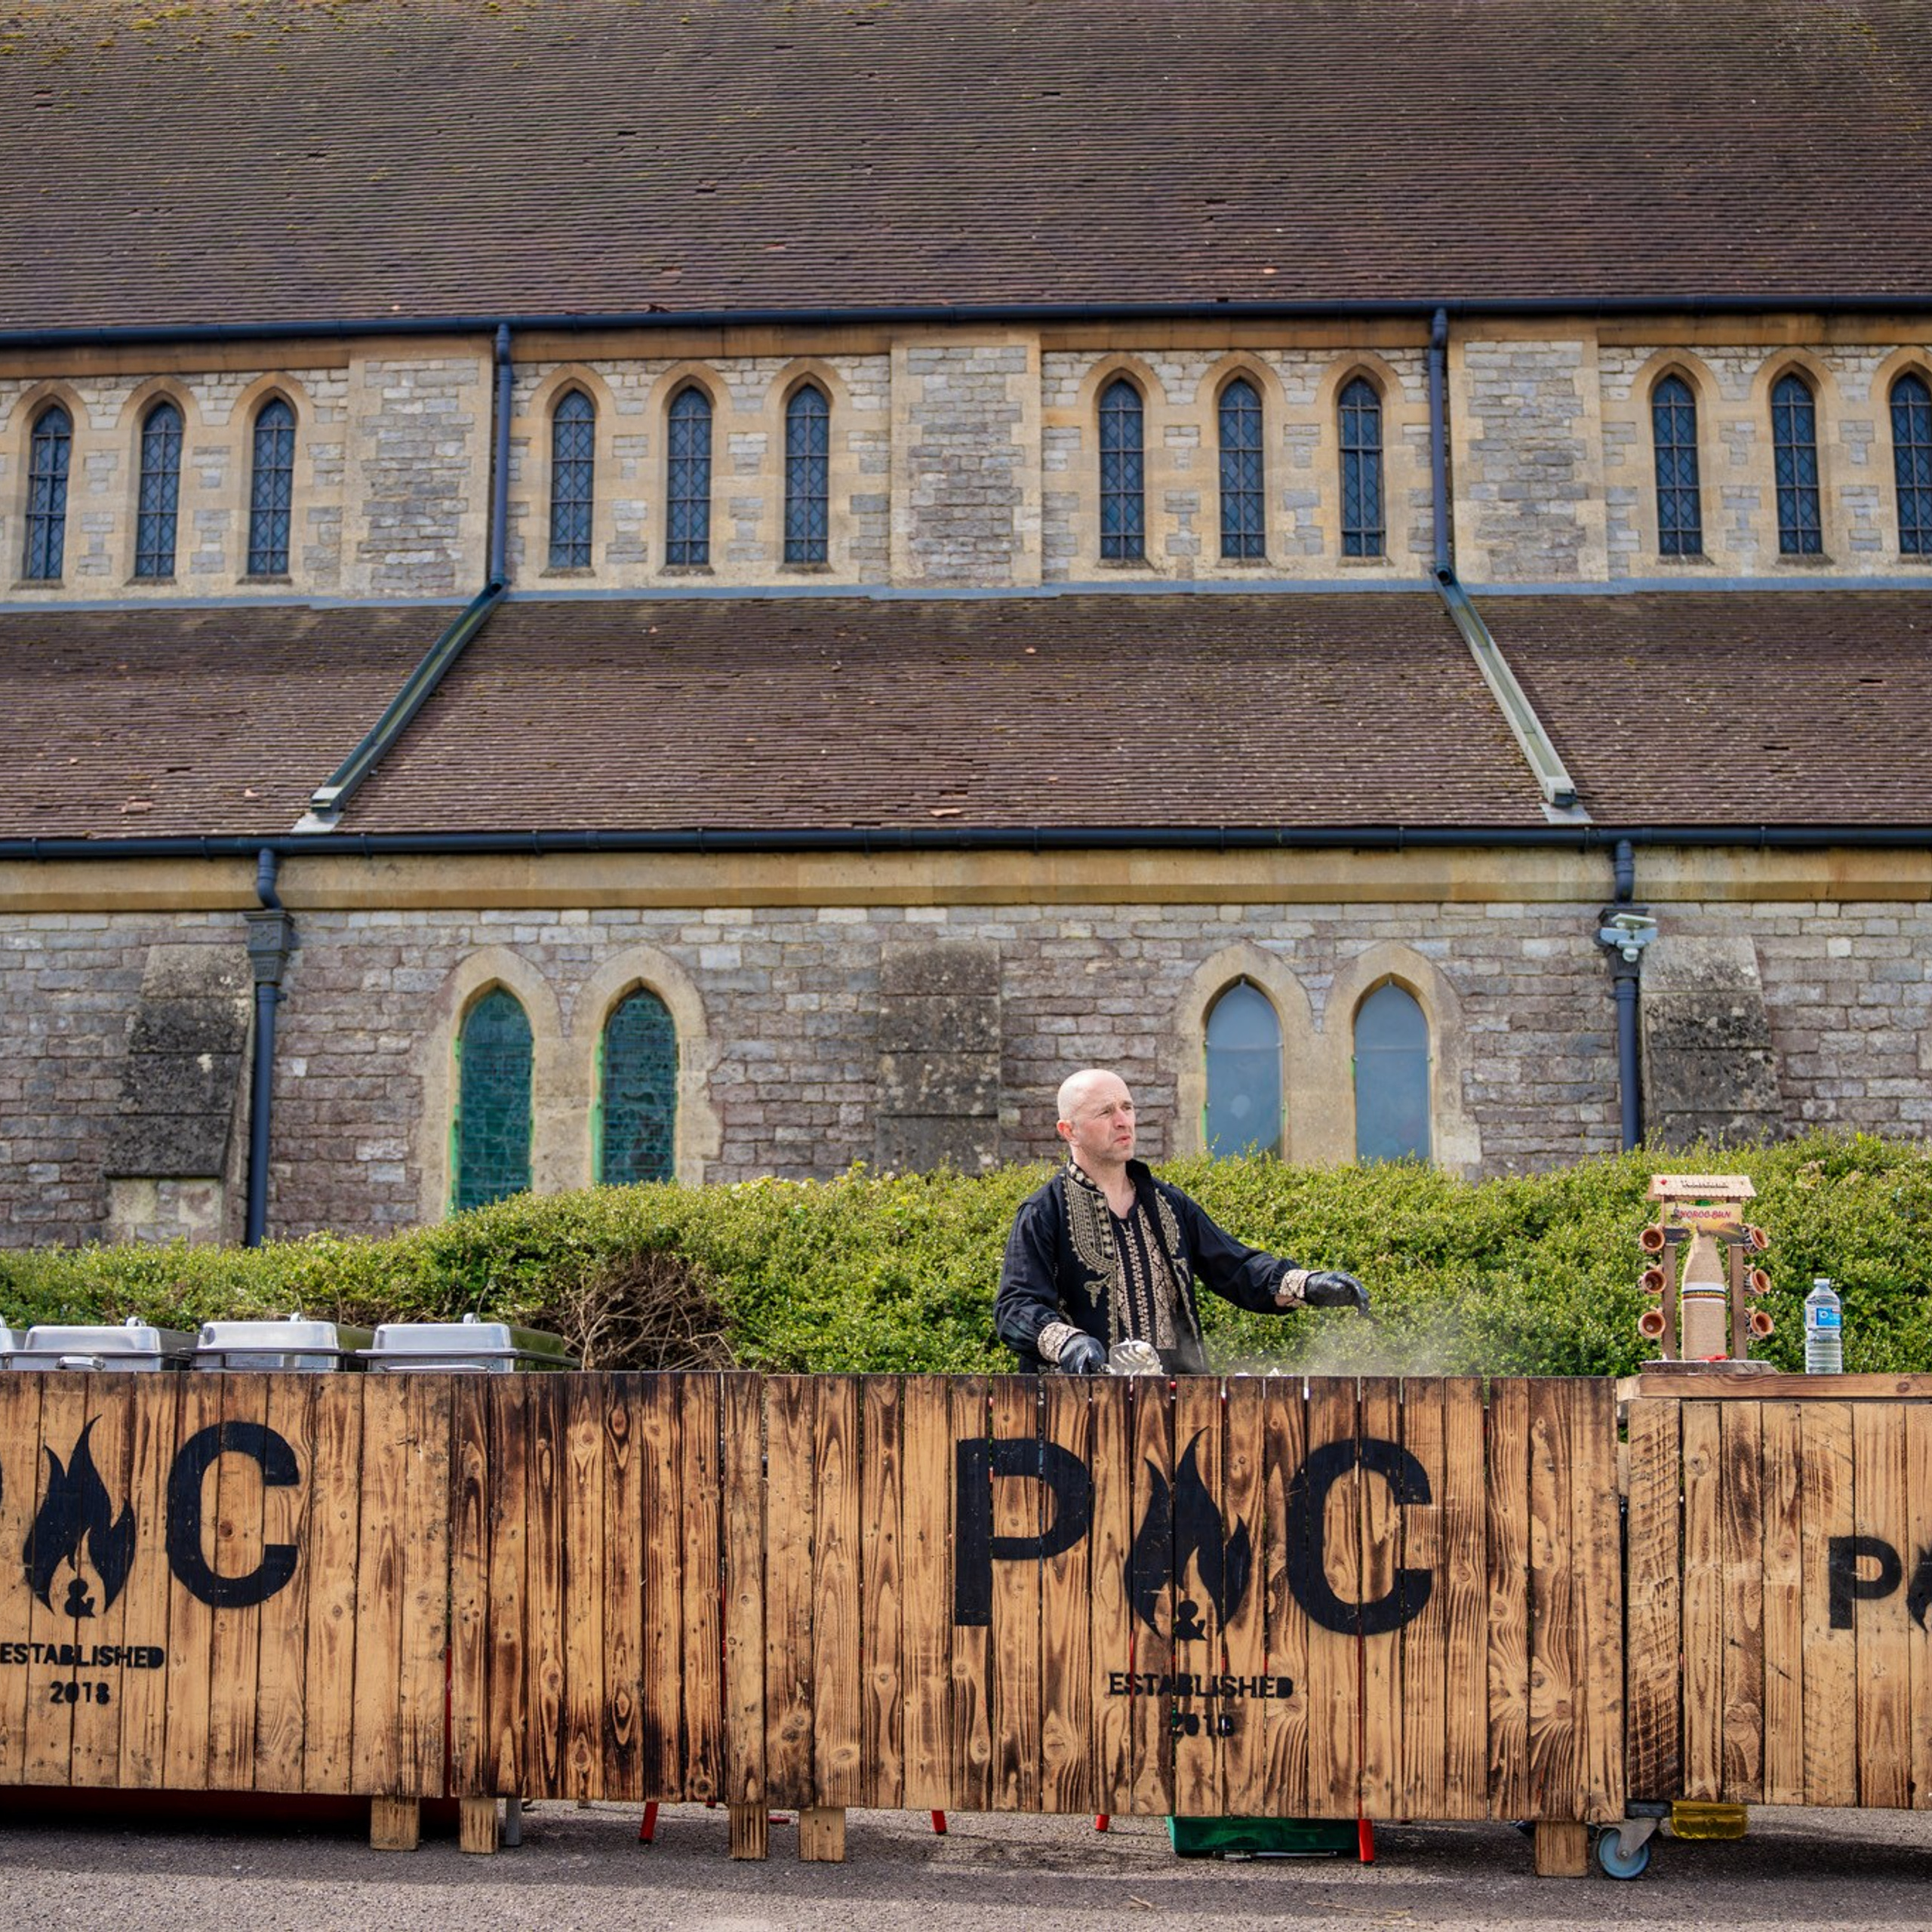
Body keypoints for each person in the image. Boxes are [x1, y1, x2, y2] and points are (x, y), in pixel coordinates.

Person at [995, 1067, 1367, 1375]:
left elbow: (1237, 1267)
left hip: (1176, 1411)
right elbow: (1015, 1307)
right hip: (1079, 1418)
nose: (1123, 1121)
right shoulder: (1043, 1213)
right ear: (1069, 1130)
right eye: (1105, 1112)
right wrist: (1070, 1344)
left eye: (1127, 1107)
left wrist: (1308, 1284)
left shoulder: (1169, 1204)